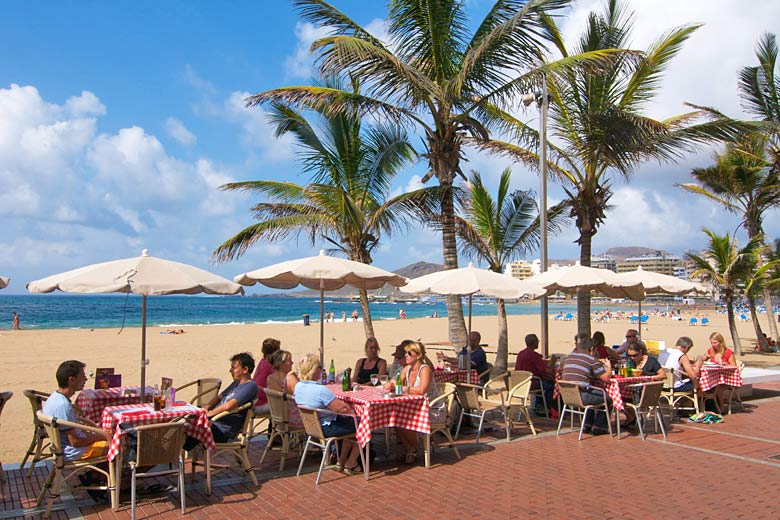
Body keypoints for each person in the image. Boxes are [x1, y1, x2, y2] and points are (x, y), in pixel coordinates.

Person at [42, 360, 112, 502]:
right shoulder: (63, 405)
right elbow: (76, 442)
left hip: (61, 449)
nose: (86, 379)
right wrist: (102, 437)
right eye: (83, 376)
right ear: (71, 379)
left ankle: (93, 477)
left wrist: (98, 434)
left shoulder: (56, 398)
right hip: (72, 452)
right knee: (119, 445)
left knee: (110, 438)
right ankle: (97, 478)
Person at [294, 353, 362, 474]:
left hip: (312, 427)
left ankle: (341, 462)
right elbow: (341, 409)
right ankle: (351, 462)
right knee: (364, 423)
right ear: (313, 370)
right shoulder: (320, 390)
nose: (322, 369)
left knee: (352, 422)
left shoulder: (298, 386)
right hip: (326, 427)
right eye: (319, 366)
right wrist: (352, 411)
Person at [184, 352, 258, 451]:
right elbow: (219, 397)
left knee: (186, 433)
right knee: (185, 427)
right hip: (214, 423)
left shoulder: (250, 386)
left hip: (223, 430)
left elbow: (229, 405)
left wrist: (209, 414)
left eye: (234, 368)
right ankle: (174, 455)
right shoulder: (236, 383)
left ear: (245, 369)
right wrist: (205, 409)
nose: (230, 370)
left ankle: (173, 456)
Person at [394, 341, 445, 464]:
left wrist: (404, 388)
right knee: (394, 418)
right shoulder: (407, 369)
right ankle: (411, 447)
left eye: (409, 353)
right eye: (405, 353)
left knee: (405, 419)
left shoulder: (425, 369)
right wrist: (389, 384)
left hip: (432, 409)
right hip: (414, 407)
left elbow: (422, 390)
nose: (406, 355)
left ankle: (415, 447)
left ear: (418, 355)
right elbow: (395, 382)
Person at [561, 333, 612, 435]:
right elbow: (606, 378)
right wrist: (609, 366)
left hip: (568, 396)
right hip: (582, 396)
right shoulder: (591, 359)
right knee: (608, 398)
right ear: (592, 349)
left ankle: (587, 424)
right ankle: (599, 427)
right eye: (596, 350)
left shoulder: (570, 356)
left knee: (592, 392)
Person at [514, 333, 556, 414]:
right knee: (551, 385)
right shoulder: (534, 355)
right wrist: (553, 361)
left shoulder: (521, 353)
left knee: (543, 383)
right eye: (537, 341)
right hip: (531, 383)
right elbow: (546, 371)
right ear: (534, 343)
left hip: (520, 382)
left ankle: (539, 405)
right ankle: (547, 408)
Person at [265, 349, 302, 428]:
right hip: (291, 418)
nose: (292, 363)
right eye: (289, 361)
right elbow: (301, 395)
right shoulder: (289, 378)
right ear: (281, 364)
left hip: (278, 416)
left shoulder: (270, 378)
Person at [704, 331, 737, 409]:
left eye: (715, 343)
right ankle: (704, 406)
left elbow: (734, 367)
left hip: (726, 378)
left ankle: (721, 407)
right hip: (714, 377)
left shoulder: (728, 352)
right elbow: (703, 359)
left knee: (718, 385)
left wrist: (725, 363)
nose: (713, 345)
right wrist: (704, 358)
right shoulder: (711, 351)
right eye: (711, 343)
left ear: (720, 342)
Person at [252, 337, 281, 414]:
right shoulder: (270, 365)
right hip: (261, 403)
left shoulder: (263, 362)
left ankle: (272, 424)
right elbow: (280, 382)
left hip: (255, 401)